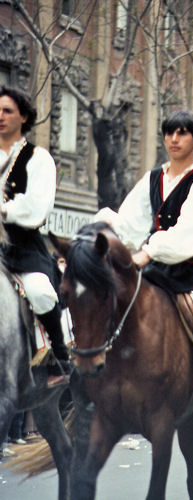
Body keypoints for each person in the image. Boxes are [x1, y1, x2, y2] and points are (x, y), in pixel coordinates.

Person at [94, 109, 193, 405]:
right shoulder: (153, 178)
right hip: (159, 270)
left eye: (182, 133)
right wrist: (104, 231)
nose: (173, 139)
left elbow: (191, 233)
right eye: (169, 133)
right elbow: (130, 221)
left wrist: (148, 252)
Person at [0, 86, 70, 387]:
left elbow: (37, 209)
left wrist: (4, 209)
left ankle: (60, 357)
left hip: (23, 250)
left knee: (40, 291)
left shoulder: (38, 159)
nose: (0, 116)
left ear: (24, 117)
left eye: (7, 111)